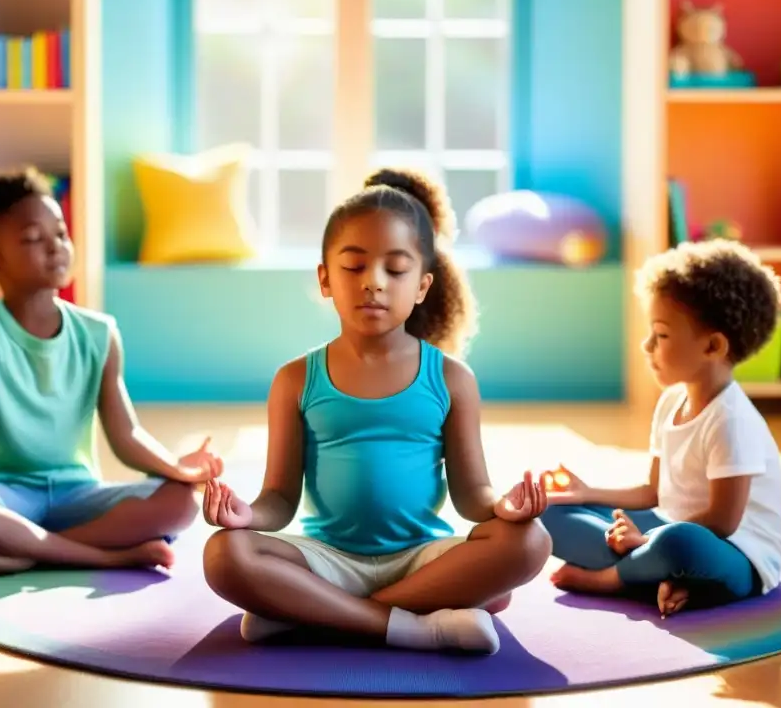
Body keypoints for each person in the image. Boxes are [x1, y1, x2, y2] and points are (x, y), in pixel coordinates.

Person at [201, 168, 552, 655]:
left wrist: (504, 508)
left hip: (420, 557)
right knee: (224, 554)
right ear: (325, 279)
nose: (374, 283)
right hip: (327, 557)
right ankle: (410, 625)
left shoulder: (452, 379)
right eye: (354, 266)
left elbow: (473, 498)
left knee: (529, 542)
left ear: (423, 285)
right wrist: (245, 513)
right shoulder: (294, 380)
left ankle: (312, 613)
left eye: (396, 268)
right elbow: (279, 498)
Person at [0, 167, 218, 582]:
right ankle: (101, 555)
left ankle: (28, 552)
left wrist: (180, 470)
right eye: (34, 238)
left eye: (61, 234)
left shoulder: (99, 333)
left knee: (181, 503)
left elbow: (126, 436)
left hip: (78, 493)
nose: (55, 246)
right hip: (6, 493)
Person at [542, 239, 781, 617]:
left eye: (662, 334)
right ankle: (661, 579)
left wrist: (646, 539)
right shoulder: (672, 401)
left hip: (735, 555)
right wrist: (587, 492)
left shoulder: (731, 421)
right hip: (666, 526)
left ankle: (610, 580)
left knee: (680, 544)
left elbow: (722, 523)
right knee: (551, 514)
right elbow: (653, 491)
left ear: (713, 346)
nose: (646, 345)